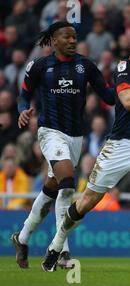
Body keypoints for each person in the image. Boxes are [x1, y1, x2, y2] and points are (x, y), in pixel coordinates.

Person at [40, 24, 130, 272]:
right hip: (119, 147)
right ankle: (56, 245)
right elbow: (127, 101)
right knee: (86, 202)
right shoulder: (126, 69)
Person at [10, 21, 115, 270]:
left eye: (74, 37)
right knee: (67, 183)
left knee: (52, 188)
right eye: (66, 37)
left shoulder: (85, 65)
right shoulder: (39, 66)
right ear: (54, 41)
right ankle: (62, 251)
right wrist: (23, 110)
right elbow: (23, 95)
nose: (72, 41)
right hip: (50, 133)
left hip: (76, 137)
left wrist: (129, 87)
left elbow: (109, 96)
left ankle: (22, 238)